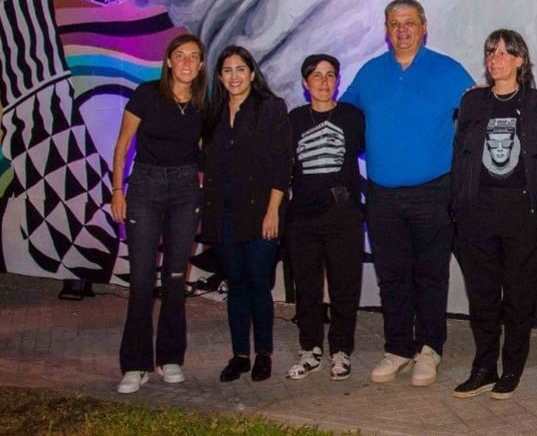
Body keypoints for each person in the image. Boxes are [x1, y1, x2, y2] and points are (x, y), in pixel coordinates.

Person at [340, 0, 473, 387]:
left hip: (433, 193)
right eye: (395, 23)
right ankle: (398, 347)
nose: (402, 30)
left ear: (424, 26)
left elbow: (479, 115)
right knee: (392, 275)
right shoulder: (370, 73)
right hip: (381, 196)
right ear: (386, 29)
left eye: (410, 22)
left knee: (431, 275)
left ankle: (430, 349)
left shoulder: (448, 70)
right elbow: (344, 117)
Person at [449, 30, 537, 400]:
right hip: (476, 215)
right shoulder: (473, 102)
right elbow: (459, 156)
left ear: (519, 60)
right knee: (482, 298)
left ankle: (512, 368)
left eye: (503, 52)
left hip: (521, 215)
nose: (495, 58)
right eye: (490, 52)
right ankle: (484, 368)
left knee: (519, 298)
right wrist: (457, 207)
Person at [109, 33, 206, 394]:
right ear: (168, 61)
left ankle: (170, 358)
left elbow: (204, 154)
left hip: (185, 190)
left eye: (193, 56)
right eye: (180, 55)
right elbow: (122, 146)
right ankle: (135, 365)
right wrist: (117, 191)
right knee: (142, 280)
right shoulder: (147, 94)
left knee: (176, 279)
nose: (186, 62)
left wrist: (201, 189)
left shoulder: (203, 105)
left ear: (200, 65)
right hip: (145, 188)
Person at [200, 45, 292, 383]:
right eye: (227, 70)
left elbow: (282, 165)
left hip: (260, 214)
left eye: (240, 69)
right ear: (219, 77)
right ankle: (240, 355)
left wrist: (273, 212)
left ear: (252, 73)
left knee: (258, 284)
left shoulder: (271, 108)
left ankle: (263, 354)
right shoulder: (212, 113)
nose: (234, 76)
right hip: (222, 215)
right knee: (235, 285)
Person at [284, 54, 366, 382]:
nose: (323, 81)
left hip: (343, 216)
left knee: (345, 286)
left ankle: (341, 350)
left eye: (330, 74)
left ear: (337, 80)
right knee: (307, 288)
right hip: (302, 219)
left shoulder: (351, 117)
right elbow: (281, 167)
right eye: (316, 75)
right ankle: (310, 350)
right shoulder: (293, 119)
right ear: (305, 83)